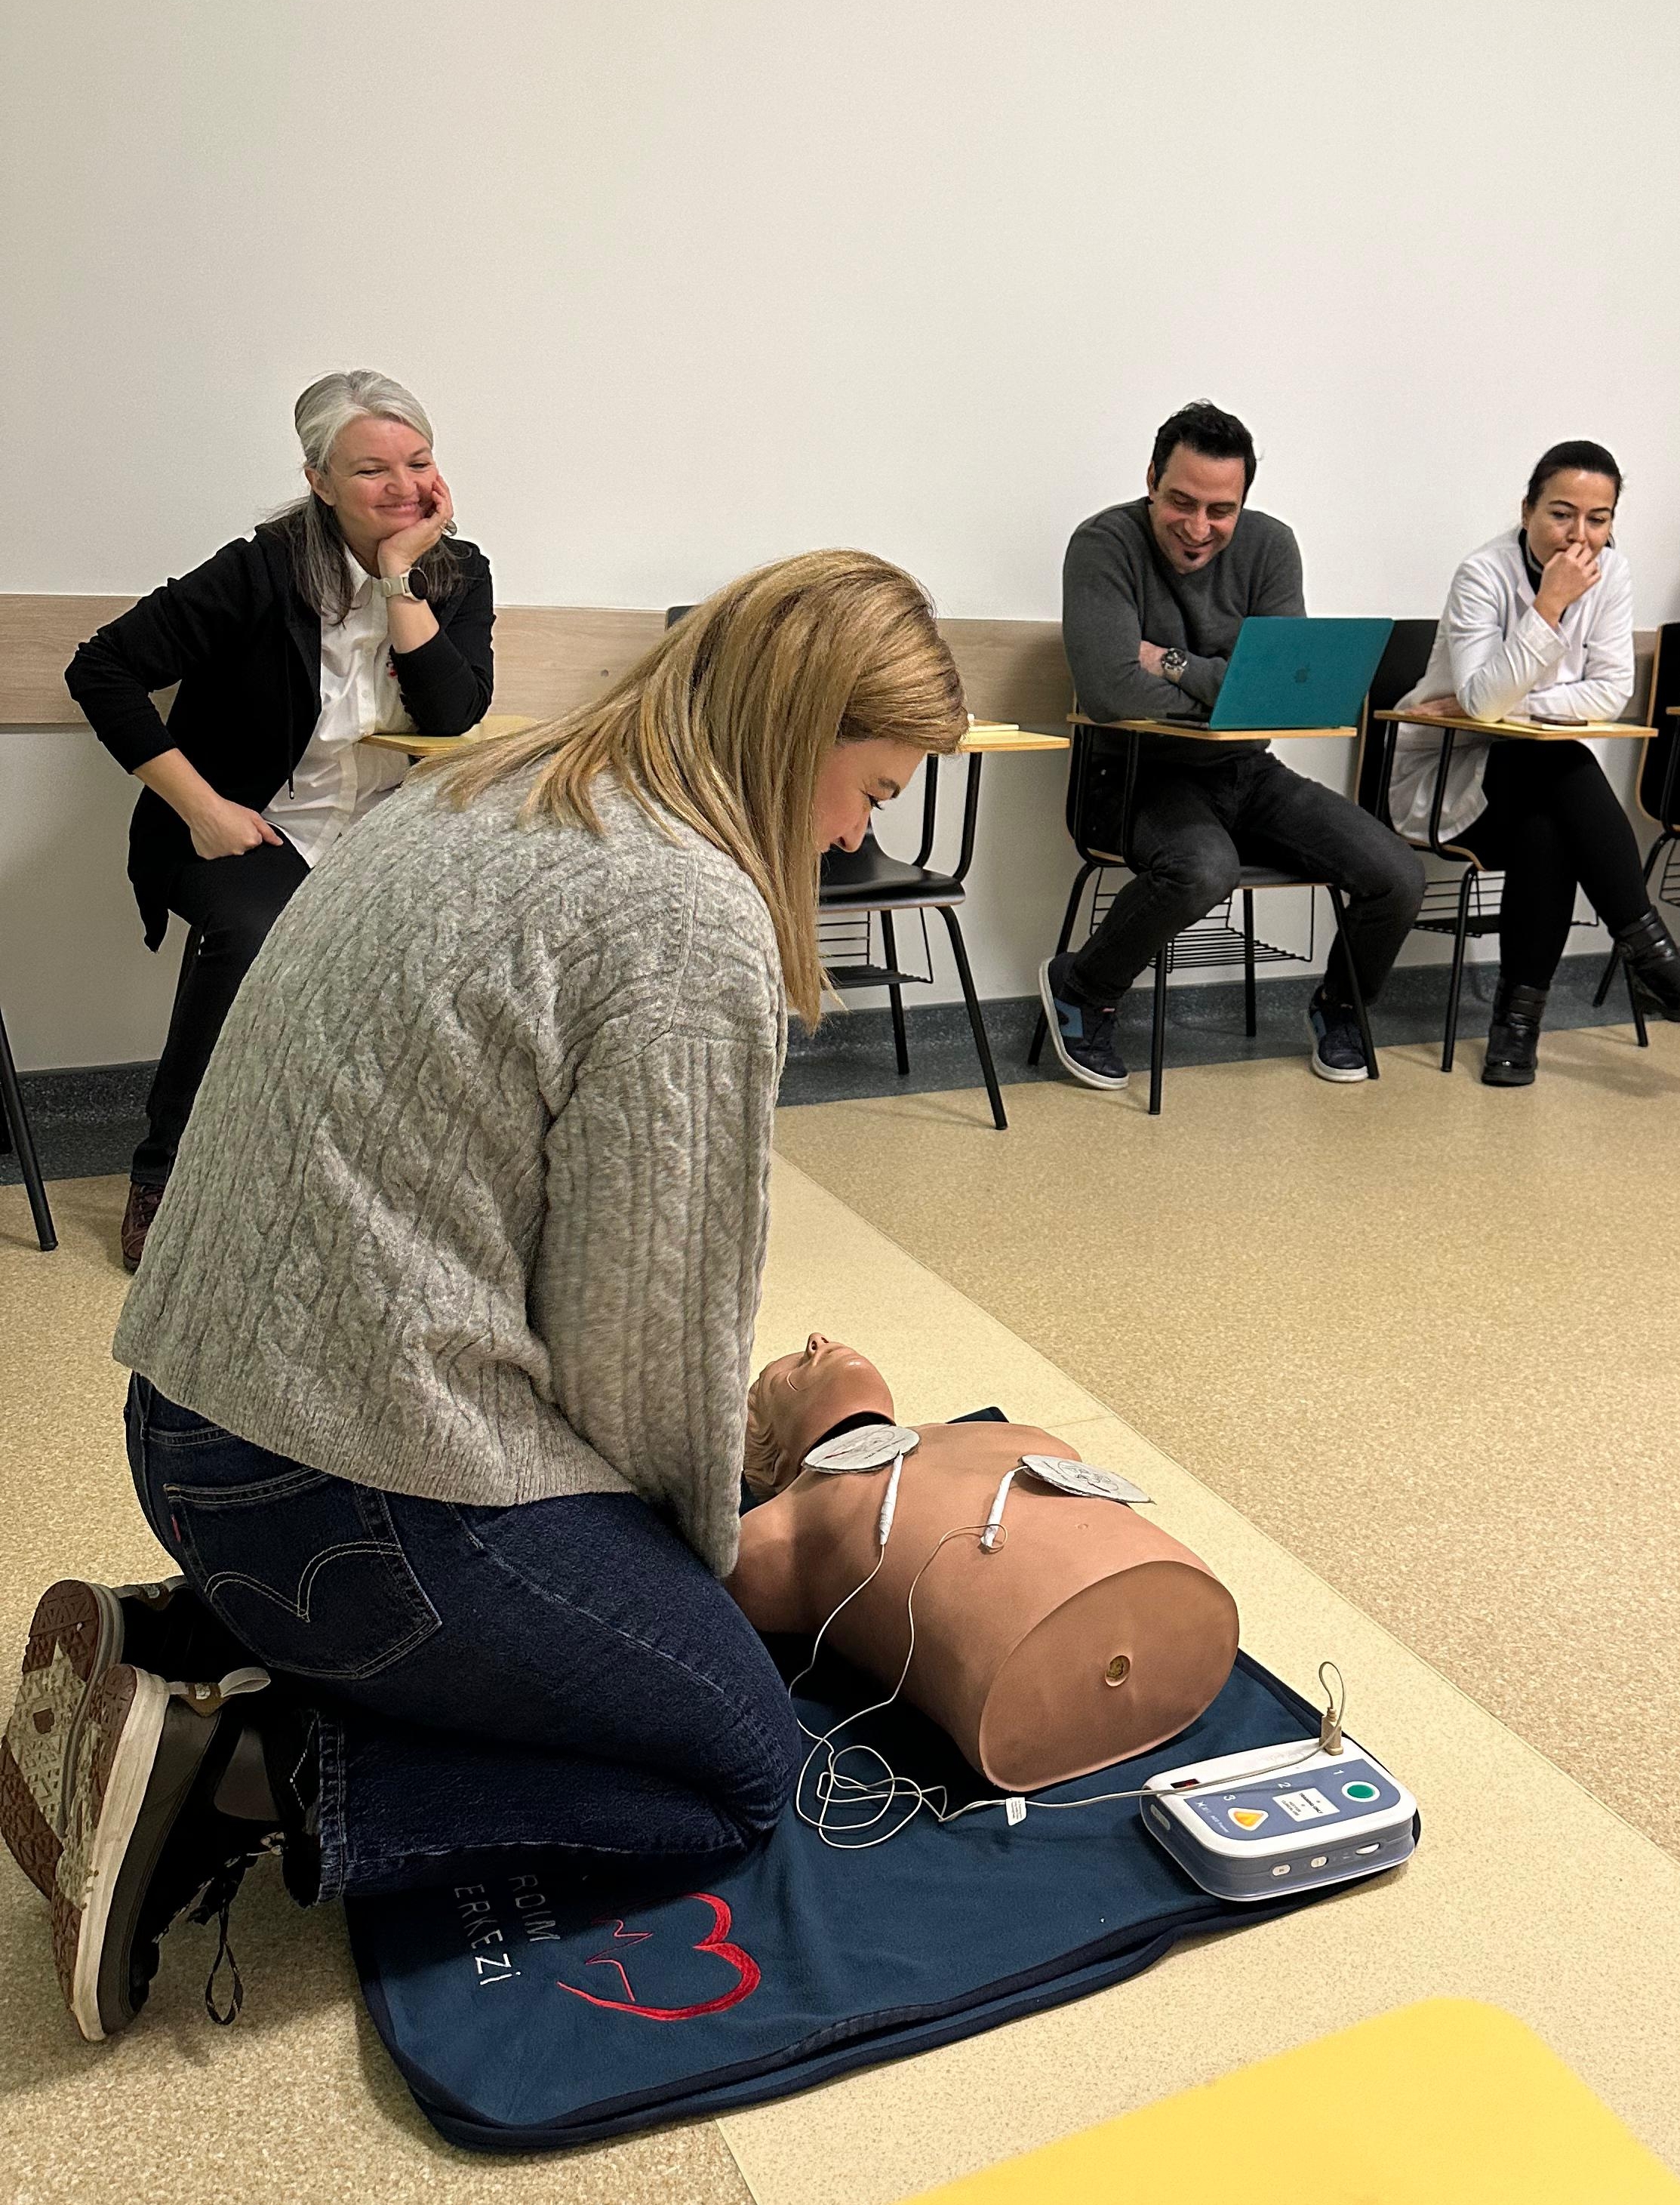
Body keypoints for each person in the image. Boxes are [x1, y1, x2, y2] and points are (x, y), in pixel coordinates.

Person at [1, 552, 968, 2044]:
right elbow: (642, 1360)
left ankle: (177, 1649)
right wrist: (720, 1533)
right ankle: (240, 1771)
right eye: (874, 789)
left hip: (185, 1435)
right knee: (738, 1756)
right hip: (339, 1505)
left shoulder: (478, 784)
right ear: (797, 736)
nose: (852, 835)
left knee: (610, 1606)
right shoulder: (688, 916)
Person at [66, 371, 496, 1271]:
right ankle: (164, 1172)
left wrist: (398, 581)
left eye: (419, 461)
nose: (404, 485)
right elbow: (102, 667)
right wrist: (203, 806)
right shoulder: (261, 567)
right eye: (373, 468)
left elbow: (455, 714)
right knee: (251, 933)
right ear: (318, 480)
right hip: (252, 826)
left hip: (382, 831)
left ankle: (385, 1176)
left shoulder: (458, 572)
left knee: (473, 929)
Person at [1043, 401, 1425, 1089]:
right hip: (1132, 776)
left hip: (1245, 770)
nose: (1198, 527)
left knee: (1398, 876)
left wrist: (1173, 663)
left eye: (1220, 510)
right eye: (1180, 501)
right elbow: (1111, 694)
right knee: (1203, 868)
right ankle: (1081, 986)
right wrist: (1231, 684)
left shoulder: (1271, 545)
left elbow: (1283, 696)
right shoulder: (1102, 543)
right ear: (1152, 479)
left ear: (1244, 501)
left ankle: (1341, 1008)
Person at [732, 1335, 1238, 1793]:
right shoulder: (782, 1523)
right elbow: (743, 1575)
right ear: (773, 1458)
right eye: (785, 1373)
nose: (817, 1339)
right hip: (1027, 1679)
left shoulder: (1009, 1434)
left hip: (1162, 1595)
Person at [1389, 441, 1680, 1086]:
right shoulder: (1482, 574)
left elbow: (1610, 690)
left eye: (1599, 519)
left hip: (1532, 783)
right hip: (1450, 777)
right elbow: (1483, 709)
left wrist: (1517, 702)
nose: (1581, 536)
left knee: (1549, 824)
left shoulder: (1614, 575)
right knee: (1560, 763)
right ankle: (1648, 953)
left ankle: (1517, 1033)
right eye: (1562, 514)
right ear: (1527, 509)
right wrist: (1549, 604)